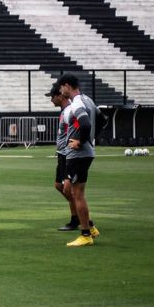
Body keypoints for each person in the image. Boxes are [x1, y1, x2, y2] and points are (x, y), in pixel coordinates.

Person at [60, 74, 101, 247]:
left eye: (61, 87)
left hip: (78, 154)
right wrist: (91, 139)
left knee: (77, 194)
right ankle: (90, 228)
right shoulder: (88, 100)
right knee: (72, 190)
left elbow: (85, 124)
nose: (61, 91)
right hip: (85, 153)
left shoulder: (77, 103)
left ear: (67, 86)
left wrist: (82, 141)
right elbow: (102, 119)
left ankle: (85, 234)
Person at [49, 84, 80, 232]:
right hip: (62, 154)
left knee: (69, 190)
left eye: (52, 97)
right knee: (58, 186)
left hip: (69, 155)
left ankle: (78, 218)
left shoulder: (70, 111)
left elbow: (76, 128)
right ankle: (78, 214)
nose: (51, 100)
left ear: (60, 96)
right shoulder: (64, 111)